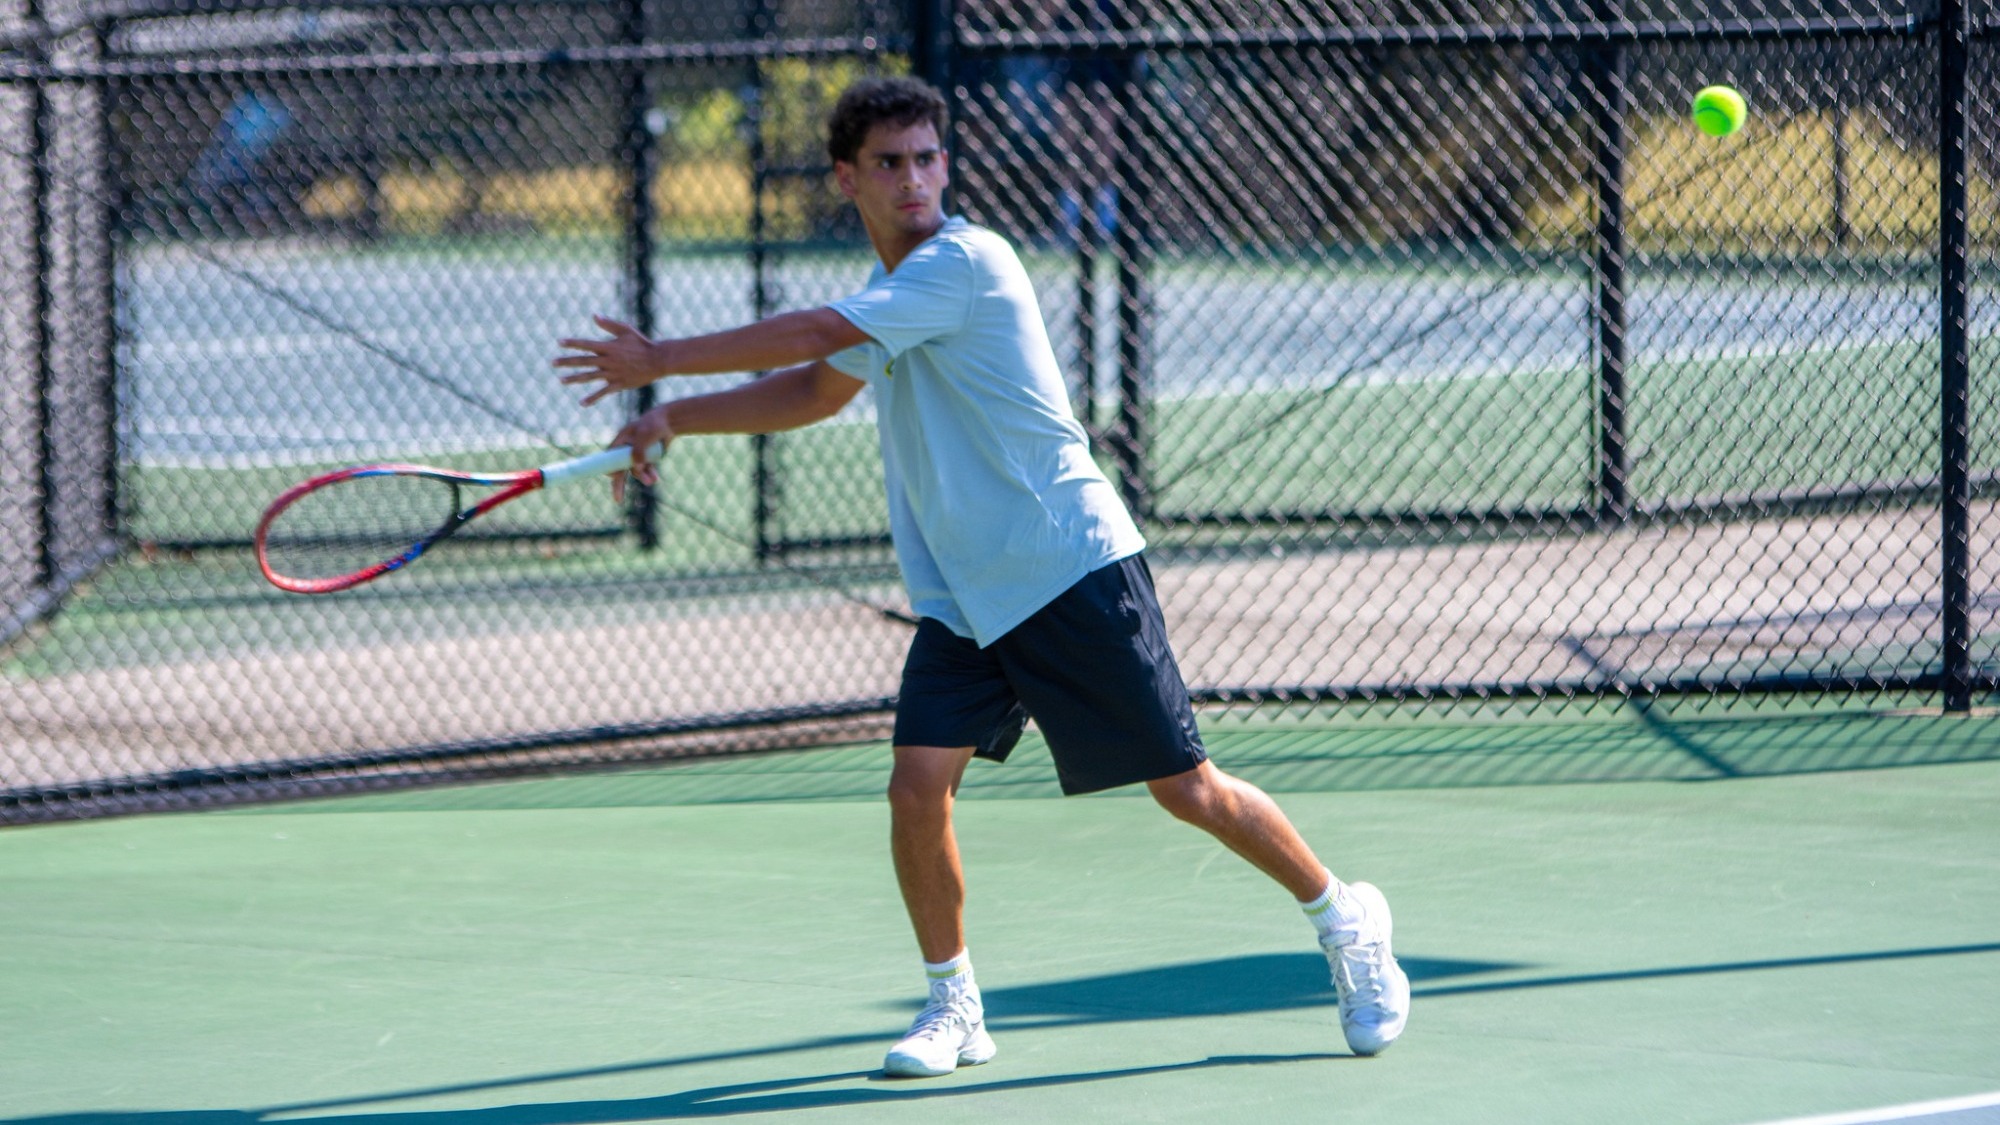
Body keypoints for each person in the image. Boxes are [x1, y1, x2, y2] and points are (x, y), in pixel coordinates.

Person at [554, 76, 1409, 1078]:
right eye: (887, 163)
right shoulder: (890, 298)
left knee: (1187, 791)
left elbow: (813, 340)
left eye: (925, 158)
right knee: (916, 786)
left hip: (1069, 568)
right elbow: (815, 390)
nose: (912, 178)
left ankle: (1344, 920)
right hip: (967, 600)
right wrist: (670, 417)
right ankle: (953, 1005)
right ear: (847, 178)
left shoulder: (963, 263)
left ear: (944, 167)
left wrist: (657, 360)